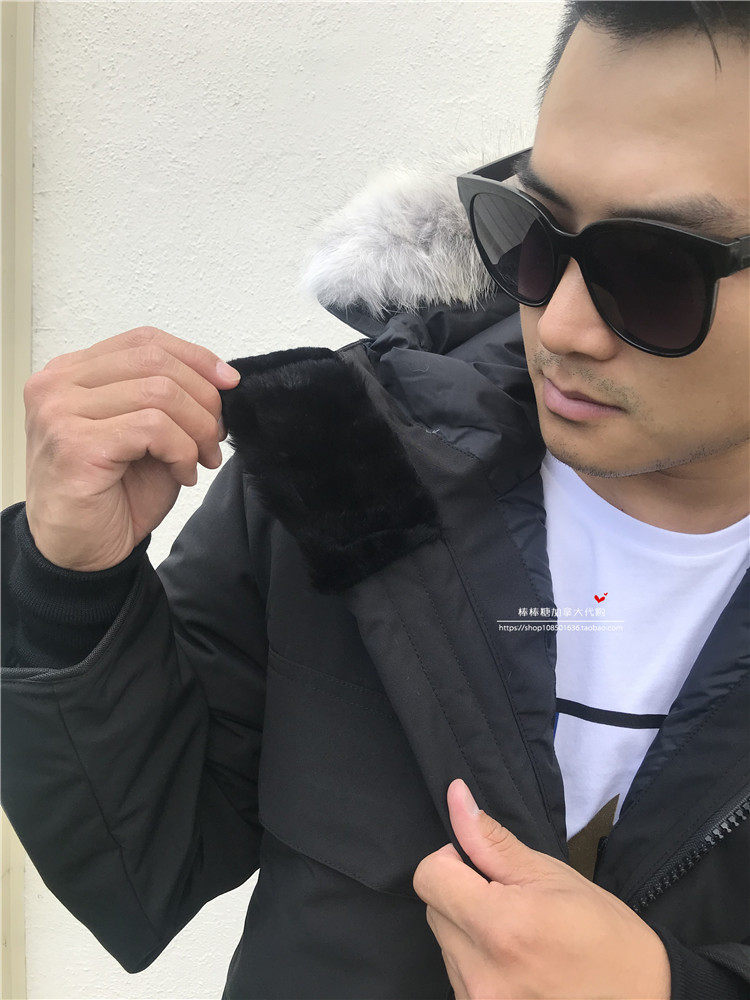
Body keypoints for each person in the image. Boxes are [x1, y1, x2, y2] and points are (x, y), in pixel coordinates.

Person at [2, 1, 748, 997]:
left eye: (656, 270)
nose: (563, 325)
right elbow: (142, 867)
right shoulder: (343, 452)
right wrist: (70, 585)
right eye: (531, 233)